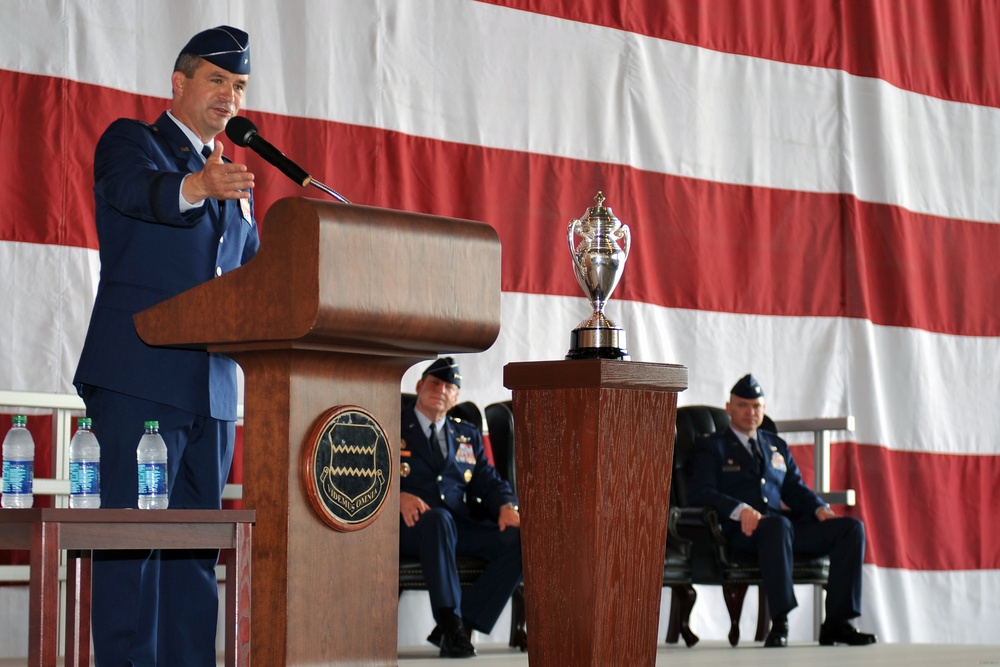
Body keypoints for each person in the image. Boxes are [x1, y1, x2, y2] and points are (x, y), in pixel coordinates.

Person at [72, 26, 258, 666]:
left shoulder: (234, 181)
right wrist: (196, 188)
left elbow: (255, 280)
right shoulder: (134, 142)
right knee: (131, 550)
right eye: (217, 79)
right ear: (178, 84)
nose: (229, 96)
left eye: (238, 86)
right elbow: (135, 193)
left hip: (212, 392)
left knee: (195, 559)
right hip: (138, 379)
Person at [688, 374, 877, 647]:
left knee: (850, 529)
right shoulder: (712, 446)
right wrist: (741, 509)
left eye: (756, 406)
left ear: (764, 409)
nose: (750, 412)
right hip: (742, 531)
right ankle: (780, 621)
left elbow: (794, 488)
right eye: (742, 405)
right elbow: (700, 492)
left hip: (779, 530)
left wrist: (819, 508)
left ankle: (838, 622)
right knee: (778, 526)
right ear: (729, 408)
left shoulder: (776, 446)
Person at [399, 357, 523, 658]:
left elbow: (488, 480)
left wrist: (508, 506)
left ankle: (459, 624)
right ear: (419, 386)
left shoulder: (466, 434)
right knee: (438, 520)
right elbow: (371, 473)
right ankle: (449, 620)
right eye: (434, 383)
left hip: (456, 526)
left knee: (521, 539)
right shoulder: (393, 422)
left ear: (456, 397)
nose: (441, 390)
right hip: (410, 526)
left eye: (449, 387)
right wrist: (396, 497)